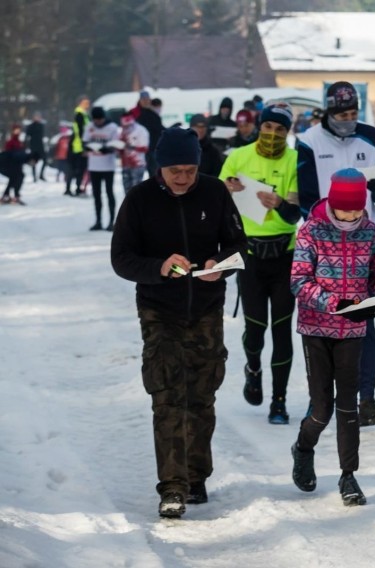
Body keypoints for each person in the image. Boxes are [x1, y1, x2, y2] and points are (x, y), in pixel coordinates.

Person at [110, 126, 247, 519]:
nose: (183, 178)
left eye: (189, 170)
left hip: (206, 308)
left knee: (202, 395)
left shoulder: (215, 192)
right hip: (159, 310)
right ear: (160, 168)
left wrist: (218, 267)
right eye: (175, 171)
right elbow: (121, 258)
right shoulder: (139, 200)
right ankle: (172, 485)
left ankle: (196, 475)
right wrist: (159, 267)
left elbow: (239, 246)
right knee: (167, 394)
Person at [289, 168, 375, 506]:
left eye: (357, 208)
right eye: (345, 209)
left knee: (348, 404)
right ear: (333, 203)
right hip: (316, 329)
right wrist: (335, 303)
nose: (352, 215)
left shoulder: (370, 231)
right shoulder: (311, 231)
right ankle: (303, 447)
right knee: (321, 408)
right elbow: (299, 281)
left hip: (353, 330)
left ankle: (348, 475)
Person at [296, 80, 375, 427]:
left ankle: (364, 398)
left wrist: (374, 185)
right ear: (328, 112)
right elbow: (306, 199)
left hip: (364, 240)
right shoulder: (308, 141)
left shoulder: (369, 135)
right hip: (322, 241)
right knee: (325, 321)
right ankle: (321, 401)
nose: (349, 120)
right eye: (342, 115)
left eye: (353, 113)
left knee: (363, 322)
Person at [220, 105, 301, 425]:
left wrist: (281, 204)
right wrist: (225, 190)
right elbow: (215, 201)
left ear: (287, 132)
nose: (273, 134)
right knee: (255, 329)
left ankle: (278, 401)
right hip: (250, 256)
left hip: (285, 255)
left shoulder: (294, 160)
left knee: (282, 329)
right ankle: (252, 368)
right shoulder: (238, 157)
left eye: (280, 129)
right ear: (258, 126)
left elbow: (296, 215)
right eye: (268, 126)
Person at [83, 106, 120, 231]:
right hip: (94, 165)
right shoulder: (89, 127)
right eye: (96, 120)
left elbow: (115, 144)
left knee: (109, 193)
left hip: (108, 166)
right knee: (96, 194)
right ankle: (98, 221)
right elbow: (85, 141)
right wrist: (87, 147)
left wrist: (107, 149)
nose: (98, 122)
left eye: (100, 120)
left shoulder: (112, 127)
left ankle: (111, 222)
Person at [134, 91, 164, 180]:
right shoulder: (136, 112)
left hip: (153, 147)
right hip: (142, 149)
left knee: (154, 173)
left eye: (147, 100)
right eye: (144, 100)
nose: (146, 101)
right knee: (140, 175)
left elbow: (159, 128)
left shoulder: (152, 112)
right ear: (140, 100)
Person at [118, 112, 150, 194]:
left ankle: (137, 207)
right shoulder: (122, 131)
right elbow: (120, 148)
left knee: (136, 192)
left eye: (127, 125)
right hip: (125, 165)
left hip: (138, 164)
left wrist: (131, 147)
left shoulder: (141, 130)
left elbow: (145, 148)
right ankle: (129, 206)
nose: (125, 127)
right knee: (127, 192)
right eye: (124, 125)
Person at [66, 95, 89, 196]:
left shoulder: (82, 114)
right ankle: (77, 189)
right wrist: (84, 146)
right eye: (85, 102)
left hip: (76, 145)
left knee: (74, 169)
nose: (88, 104)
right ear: (80, 103)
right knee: (78, 169)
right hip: (78, 147)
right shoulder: (80, 114)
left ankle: (71, 188)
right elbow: (80, 131)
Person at [24, 112, 47, 182]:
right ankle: (34, 177)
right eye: (36, 117)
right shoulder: (30, 126)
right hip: (33, 146)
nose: (38, 118)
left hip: (40, 146)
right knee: (33, 162)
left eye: (39, 117)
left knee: (45, 160)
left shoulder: (41, 125)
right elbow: (27, 136)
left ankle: (41, 175)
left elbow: (42, 135)